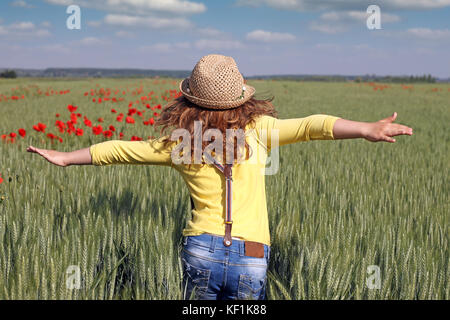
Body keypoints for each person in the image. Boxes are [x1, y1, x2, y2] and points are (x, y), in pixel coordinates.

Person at [27, 54, 413, 300]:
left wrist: (65, 157)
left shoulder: (180, 142)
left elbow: (119, 150)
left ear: (189, 100)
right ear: (243, 98)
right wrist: (365, 128)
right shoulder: (260, 129)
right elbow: (315, 125)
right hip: (252, 255)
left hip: (200, 250)